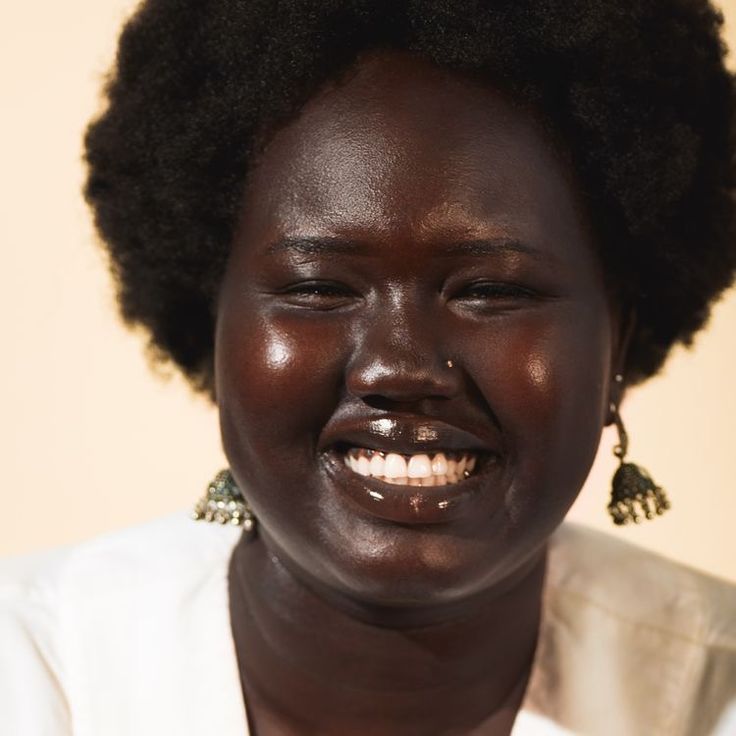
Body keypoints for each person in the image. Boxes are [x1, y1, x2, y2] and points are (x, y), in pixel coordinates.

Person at [2, 0, 736, 734]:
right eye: (318, 288)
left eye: (490, 291)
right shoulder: (33, 674)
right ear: (212, 325)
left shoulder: (714, 692)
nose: (400, 366)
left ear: (618, 341)